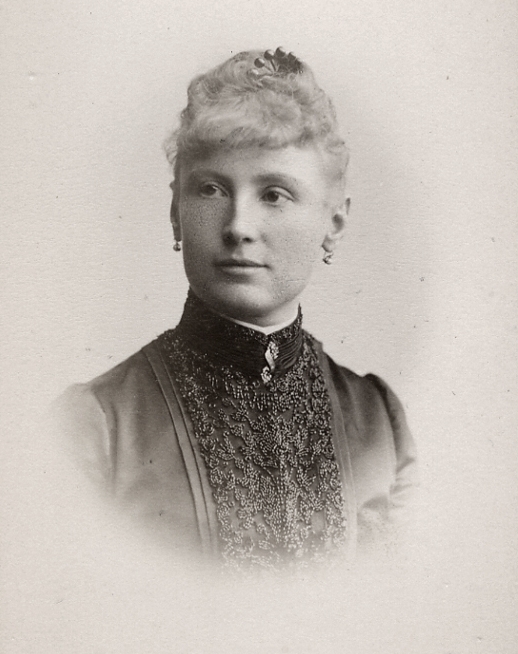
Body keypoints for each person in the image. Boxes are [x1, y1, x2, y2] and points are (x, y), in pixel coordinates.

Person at [56, 48, 417, 570]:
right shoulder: (96, 426)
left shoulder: (379, 421)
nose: (238, 226)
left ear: (333, 224)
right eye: (210, 189)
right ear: (176, 213)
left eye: (274, 194)